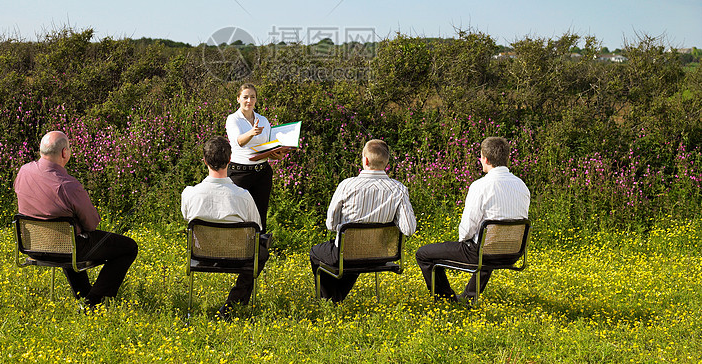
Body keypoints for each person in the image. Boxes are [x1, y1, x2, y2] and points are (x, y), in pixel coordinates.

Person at [14, 131, 138, 309]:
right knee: (128, 247)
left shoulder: (23, 171)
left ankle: (83, 294)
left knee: (68, 238)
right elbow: (91, 224)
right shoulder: (68, 185)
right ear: (64, 152)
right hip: (66, 248)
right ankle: (93, 301)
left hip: (32, 246)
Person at [415, 136, 530, 304]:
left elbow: (467, 229)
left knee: (423, 254)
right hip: (513, 252)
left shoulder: (480, 186)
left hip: (485, 252)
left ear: (486, 158)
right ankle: (469, 296)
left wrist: (463, 241)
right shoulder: (522, 186)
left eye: (481, 156)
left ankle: (446, 300)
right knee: (487, 244)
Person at [310, 139, 417, 303]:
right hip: (381, 254)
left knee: (317, 252)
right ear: (386, 162)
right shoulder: (399, 189)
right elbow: (409, 228)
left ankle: (329, 299)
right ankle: (335, 299)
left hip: (348, 254)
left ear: (365, 160)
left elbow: (331, 225)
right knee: (353, 253)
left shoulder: (347, 185)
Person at [181, 136, 269, 319]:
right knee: (262, 250)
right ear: (230, 160)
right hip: (238, 257)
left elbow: (186, 217)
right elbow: (257, 228)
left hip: (202, 254)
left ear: (204, 161)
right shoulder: (243, 196)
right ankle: (234, 302)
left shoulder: (190, 193)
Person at [225, 83, 289, 228]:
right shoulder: (233, 119)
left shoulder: (263, 120)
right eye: (245, 97)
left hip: (262, 173)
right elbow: (239, 141)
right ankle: (235, 248)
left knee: (260, 215)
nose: (249, 101)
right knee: (237, 214)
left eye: (252, 97)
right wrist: (252, 132)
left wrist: (276, 155)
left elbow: (267, 147)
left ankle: (259, 247)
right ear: (238, 99)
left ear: (256, 99)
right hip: (240, 173)